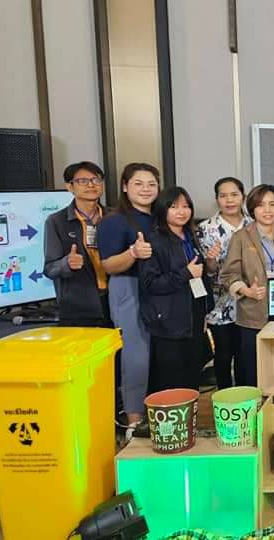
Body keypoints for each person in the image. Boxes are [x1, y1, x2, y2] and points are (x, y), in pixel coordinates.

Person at [221, 184, 274, 388]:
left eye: (272, 204)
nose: (267, 210)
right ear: (252, 209)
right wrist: (247, 291)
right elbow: (228, 275)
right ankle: (254, 407)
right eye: (261, 205)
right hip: (252, 315)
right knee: (252, 372)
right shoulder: (240, 238)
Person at [98, 162, 159, 436]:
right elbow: (108, 265)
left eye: (151, 184)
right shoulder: (114, 221)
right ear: (125, 186)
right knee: (136, 356)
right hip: (129, 288)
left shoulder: (160, 217)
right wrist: (133, 253)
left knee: (158, 355)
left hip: (160, 290)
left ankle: (158, 414)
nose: (146, 189)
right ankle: (134, 420)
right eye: (138, 183)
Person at [140, 187, 214, 392]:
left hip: (193, 317)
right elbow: (150, 284)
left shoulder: (190, 236)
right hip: (168, 322)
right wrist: (185, 273)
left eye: (186, 206)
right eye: (174, 207)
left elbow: (200, 276)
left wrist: (205, 311)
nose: (181, 211)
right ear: (163, 209)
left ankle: (190, 413)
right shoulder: (154, 241)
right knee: (171, 381)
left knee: (192, 377)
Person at [196, 177, 252, 389]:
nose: (229, 200)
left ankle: (246, 397)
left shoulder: (253, 224)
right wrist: (211, 259)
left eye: (234, 195)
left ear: (243, 197)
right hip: (220, 304)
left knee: (245, 354)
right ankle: (225, 397)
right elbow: (207, 271)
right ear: (217, 199)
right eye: (223, 196)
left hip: (249, 302)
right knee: (223, 354)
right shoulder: (206, 229)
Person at [44, 161, 111, 327]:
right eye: (82, 181)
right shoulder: (57, 221)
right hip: (79, 306)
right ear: (70, 187)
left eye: (96, 180)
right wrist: (66, 263)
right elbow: (50, 269)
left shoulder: (114, 217)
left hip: (115, 300)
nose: (91, 185)